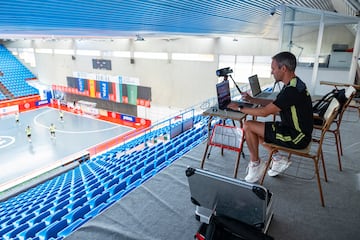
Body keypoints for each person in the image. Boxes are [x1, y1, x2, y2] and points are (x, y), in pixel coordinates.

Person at [228, 51, 313, 183]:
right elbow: (274, 104)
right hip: (294, 130)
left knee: (248, 126)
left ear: (283, 68)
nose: (272, 72)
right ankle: (277, 159)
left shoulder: (291, 91)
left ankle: (255, 164)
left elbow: (264, 113)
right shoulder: (294, 84)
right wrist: (252, 100)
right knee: (255, 128)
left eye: (273, 68)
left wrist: (239, 108)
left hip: (296, 137)